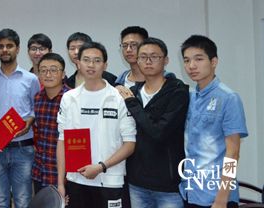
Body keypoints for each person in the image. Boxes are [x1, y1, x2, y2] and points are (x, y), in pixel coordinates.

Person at [57, 42, 136, 208]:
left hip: (110, 180)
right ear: (78, 63)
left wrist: (101, 167)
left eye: (97, 60)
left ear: (105, 65)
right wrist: (60, 183)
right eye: (86, 60)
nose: (91, 65)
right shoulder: (69, 98)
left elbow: (130, 144)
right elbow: (62, 141)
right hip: (76, 179)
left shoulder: (119, 98)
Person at [117, 37, 189, 208]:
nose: (148, 61)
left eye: (154, 57)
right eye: (143, 57)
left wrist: (132, 104)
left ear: (166, 60)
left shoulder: (178, 92)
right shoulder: (133, 92)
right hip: (137, 182)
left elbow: (159, 132)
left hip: (168, 185)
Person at [179, 35, 248, 208]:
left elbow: (233, 154)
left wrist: (222, 198)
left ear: (214, 62)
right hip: (190, 191)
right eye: (186, 60)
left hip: (216, 197)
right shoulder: (190, 97)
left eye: (199, 59)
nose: (191, 66)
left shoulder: (228, 98)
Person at [0, 29, 40, 208]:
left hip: (23, 149)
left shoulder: (31, 79)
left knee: (23, 200)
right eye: (1, 46)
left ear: (17, 49)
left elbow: (36, 108)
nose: (5, 50)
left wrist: (30, 120)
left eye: (9, 46)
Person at [32, 53, 69, 192]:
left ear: (63, 74)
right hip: (40, 170)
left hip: (64, 173)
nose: (48, 74)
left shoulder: (72, 99)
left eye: (53, 70)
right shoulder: (37, 98)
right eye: (43, 70)